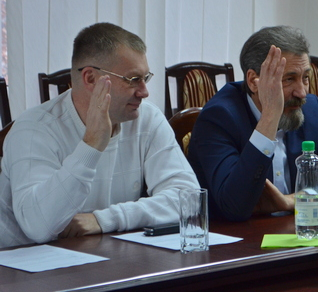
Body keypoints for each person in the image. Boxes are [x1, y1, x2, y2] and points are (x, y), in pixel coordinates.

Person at [0, 23, 200, 248]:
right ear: (91, 78)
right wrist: (91, 145)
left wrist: (105, 219)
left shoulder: (147, 118)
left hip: (105, 255)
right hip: (23, 262)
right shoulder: (34, 129)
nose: (144, 92)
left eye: (146, 78)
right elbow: (38, 227)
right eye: (133, 79)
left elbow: (190, 201)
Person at [188, 26, 318, 222]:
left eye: (305, 78)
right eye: (289, 79)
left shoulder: (308, 110)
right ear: (254, 81)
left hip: (297, 230)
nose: (302, 92)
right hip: (237, 237)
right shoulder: (219, 118)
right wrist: (269, 117)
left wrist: (293, 201)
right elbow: (234, 206)